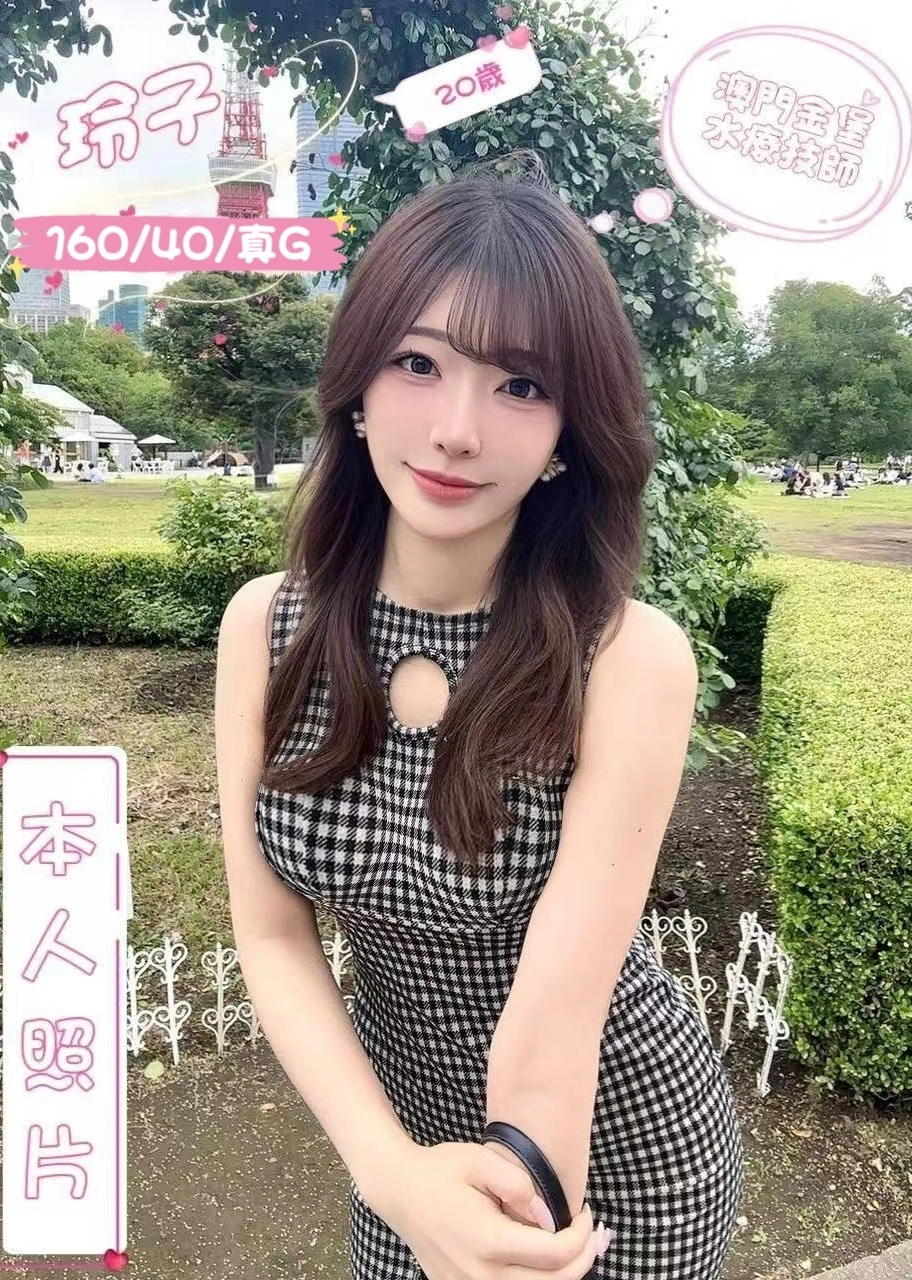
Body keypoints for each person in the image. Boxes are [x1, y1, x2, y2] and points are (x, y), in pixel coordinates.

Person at [215, 152, 745, 1280]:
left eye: (521, 386)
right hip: (399, 1147)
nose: (458, 428)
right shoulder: (266, 627)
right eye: (417, 362)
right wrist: (393, 1174)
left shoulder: (623, 658)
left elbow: (552, 1030)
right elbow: (270, 936)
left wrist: (513, 1210)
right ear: (357, 384)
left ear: (567, 433)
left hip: (613, 1153)